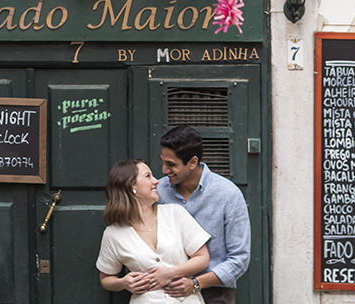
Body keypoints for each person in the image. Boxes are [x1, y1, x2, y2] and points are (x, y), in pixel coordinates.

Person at [156, 126, 251, 304]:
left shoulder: (228, 195)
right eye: (163, 162)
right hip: (164, 291)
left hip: (215, 294)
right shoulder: (157, 191)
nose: (164, 170)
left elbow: (240, 259)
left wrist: (196, 284)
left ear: (192, 162)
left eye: (171, 164)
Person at [96, 158, 211, 303]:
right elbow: (106, 278)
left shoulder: (175, 213)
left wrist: (170, 273)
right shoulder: (113, 234)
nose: (156, 181)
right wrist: (123, 283)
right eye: (148, 176)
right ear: (132, 186)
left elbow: (202, 258)